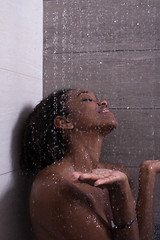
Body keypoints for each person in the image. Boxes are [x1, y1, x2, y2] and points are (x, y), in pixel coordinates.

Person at [21, 88, 160, 240]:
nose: (103, 102)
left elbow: (143, 237)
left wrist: (148, 175)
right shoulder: (53, 184)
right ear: (65, 122)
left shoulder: (116, 173)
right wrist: (121, 193)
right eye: (87, 99)